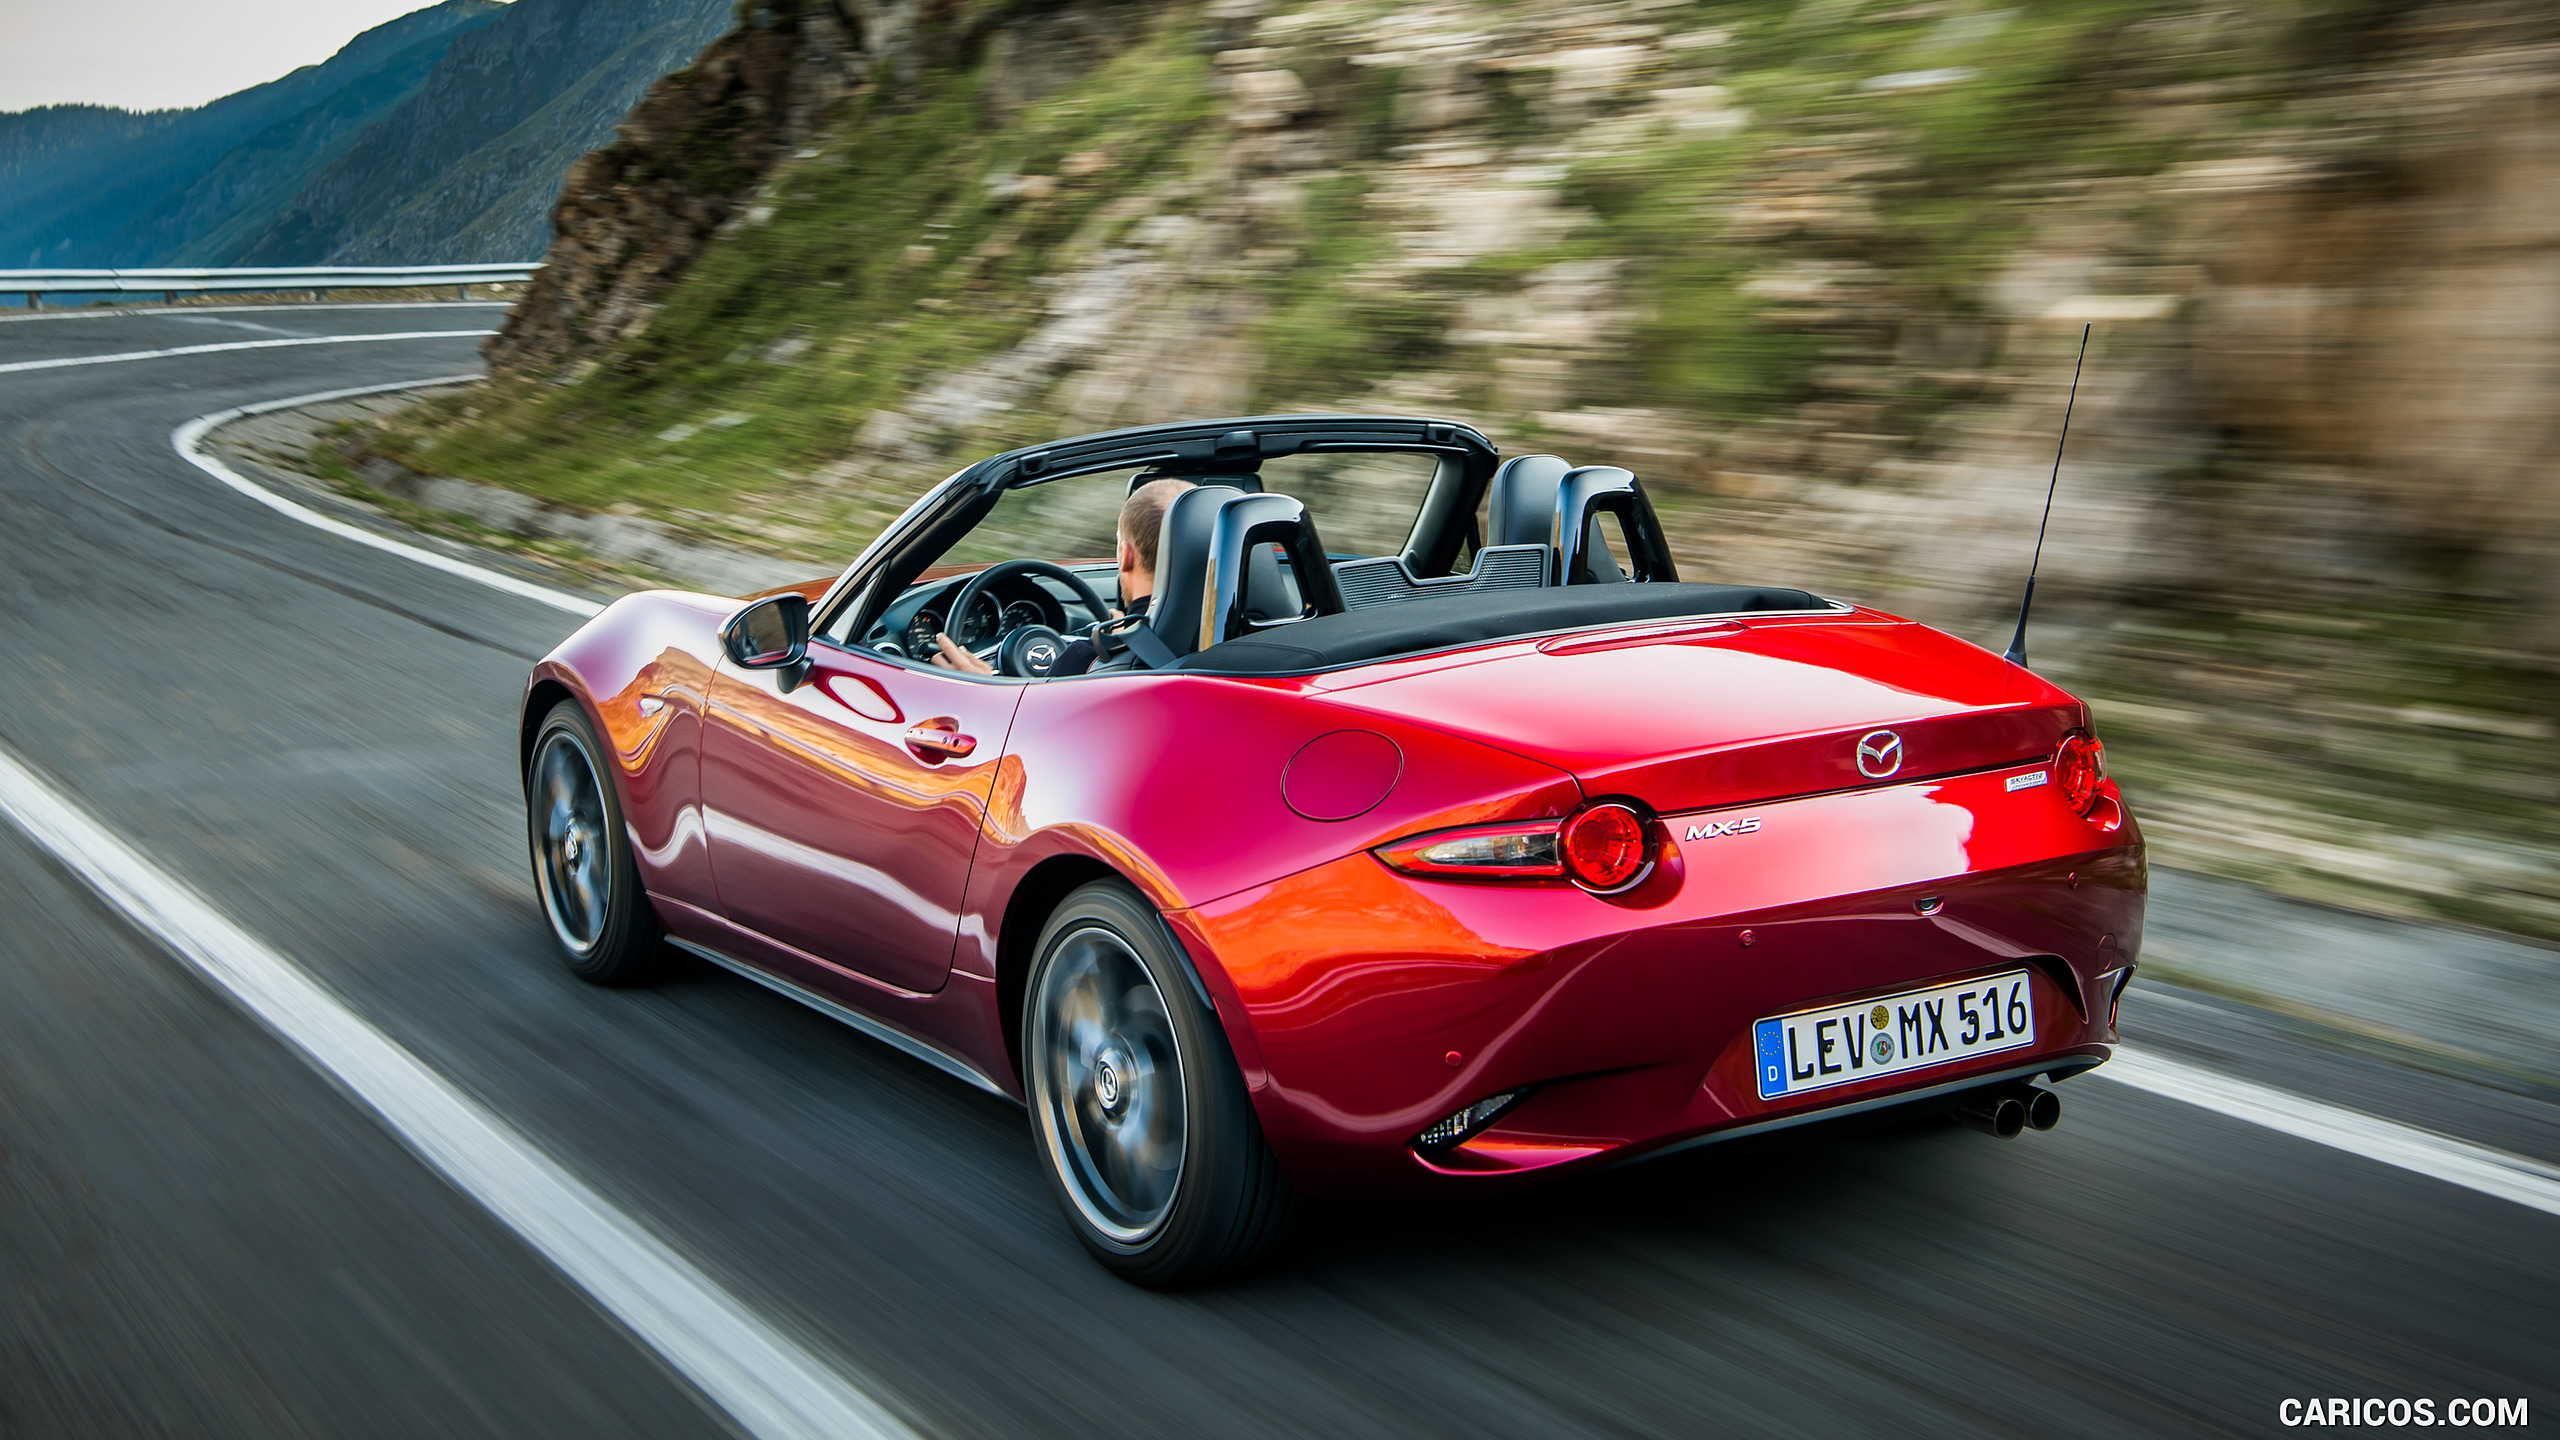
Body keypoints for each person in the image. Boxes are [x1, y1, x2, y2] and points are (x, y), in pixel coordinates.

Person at [932, 477, 1188, 677]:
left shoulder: (1086, 663)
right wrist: (1132, 631)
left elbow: (1029, 739)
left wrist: (984, 688)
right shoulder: (1223, 638)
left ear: (1126, 555)